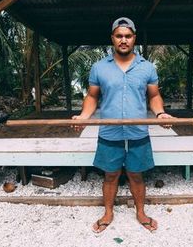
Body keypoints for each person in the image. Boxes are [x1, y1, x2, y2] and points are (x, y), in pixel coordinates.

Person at [72, 17, 172, 233]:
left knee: (136, 174)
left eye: (128, 36)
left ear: (134, 38)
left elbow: (154, 96)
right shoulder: (99, 68)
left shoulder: (147, 68)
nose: (123, 40)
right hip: (110, 131)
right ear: (112, 39)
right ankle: (108, 213)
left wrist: (161, 113)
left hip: (137, 131)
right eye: (119, 36)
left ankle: (141, 213)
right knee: (110, 174)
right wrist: (83, 116)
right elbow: (92, 96)